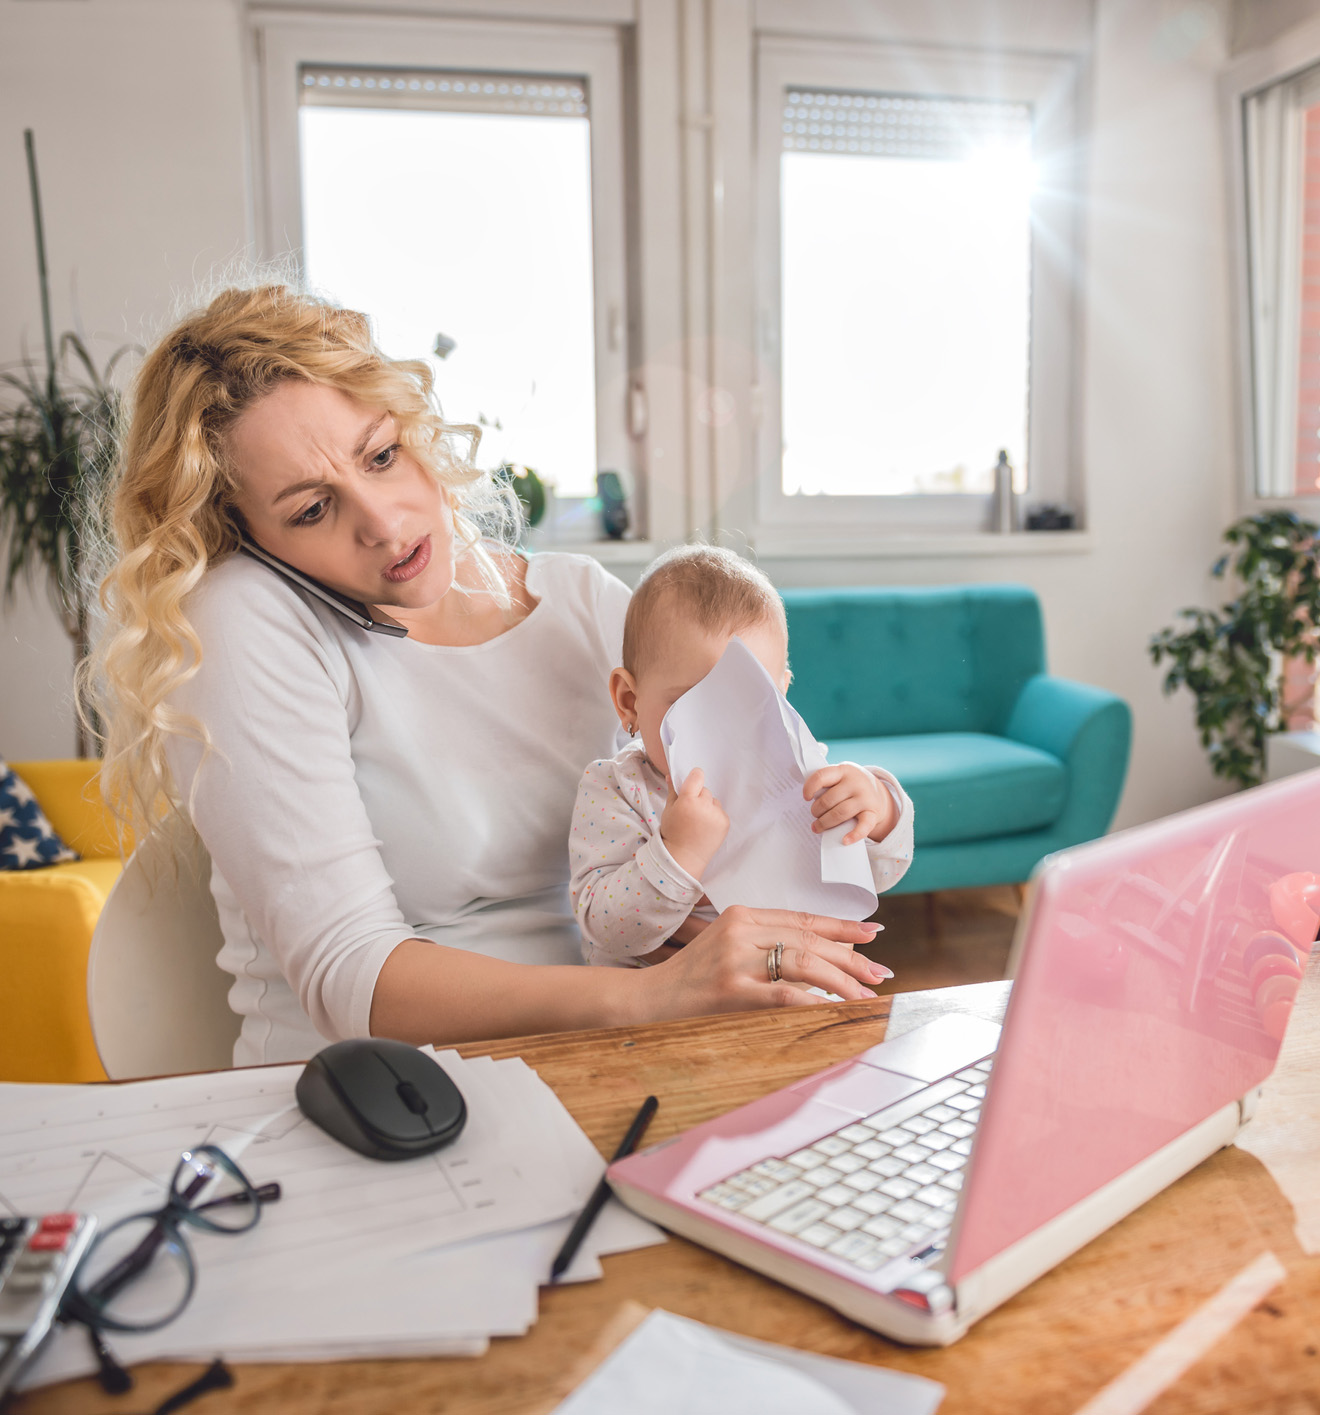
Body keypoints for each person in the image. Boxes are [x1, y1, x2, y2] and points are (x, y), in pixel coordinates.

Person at [87, 284, 890, 1065]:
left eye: (381, 455)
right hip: (387, 1096)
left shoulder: (579, 601)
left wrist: (844, 827)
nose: (382, 521)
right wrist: (657, 993)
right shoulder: (247, 615)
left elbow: (777, 802)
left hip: (624, 1056)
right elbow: (350, 972)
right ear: (248, 537)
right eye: (310, 510)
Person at [570, 545, 914, 966]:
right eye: (690, 705)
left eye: (750, 703)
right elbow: (605, 928)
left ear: (782, 696)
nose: (721, 730)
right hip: (662, 1005)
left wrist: (878, 810)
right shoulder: (619, 788)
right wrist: (680, 852)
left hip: (794, 985)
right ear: (630, 701)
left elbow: (881, 873)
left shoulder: (801, 775)